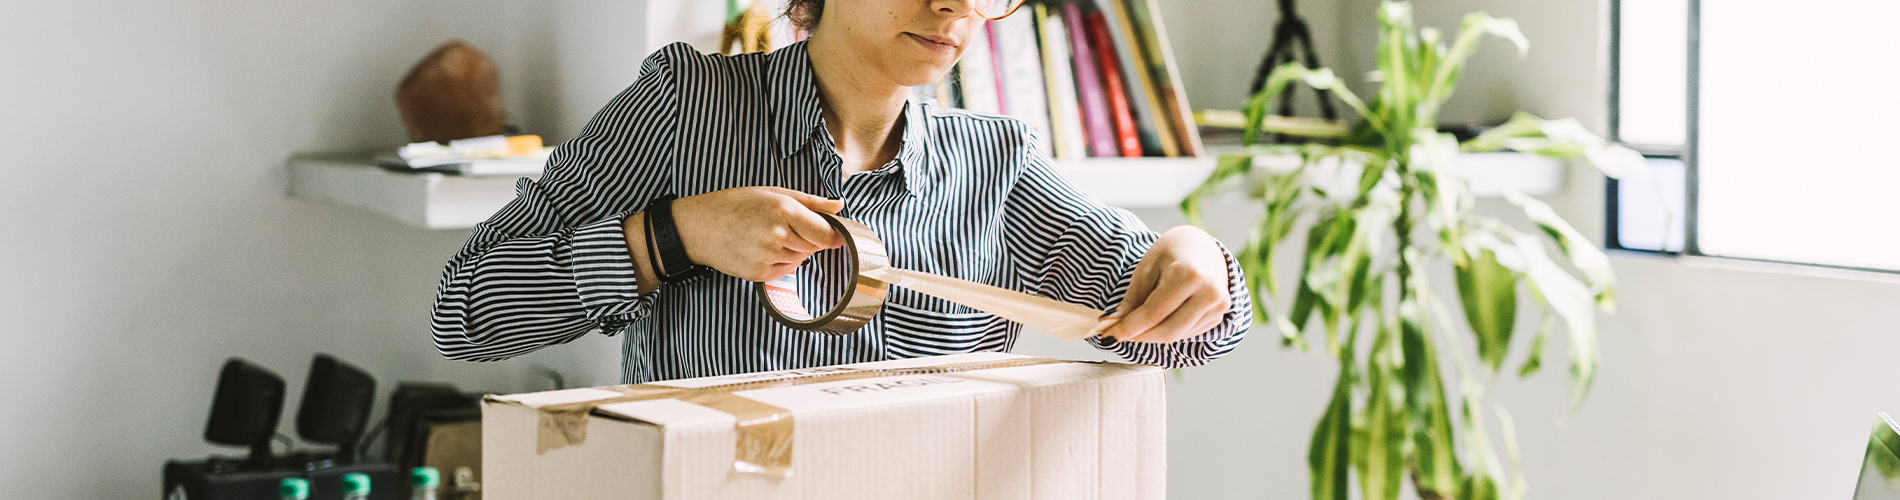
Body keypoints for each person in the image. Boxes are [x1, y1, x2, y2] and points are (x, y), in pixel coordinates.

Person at [429, 0, 1250, 384]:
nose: (955, 7)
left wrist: (1196, 256)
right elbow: (462, 314)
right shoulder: (684, 108)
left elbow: (1183, 332)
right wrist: (673, 236)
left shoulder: (998, 167)